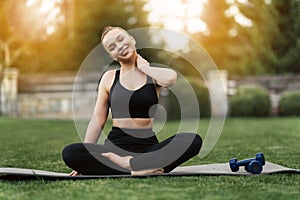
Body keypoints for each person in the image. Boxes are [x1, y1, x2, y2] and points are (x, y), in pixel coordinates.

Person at [62, 26, 202, 176]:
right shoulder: (109, 78)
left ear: (132, 39)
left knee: (193, 140)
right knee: (71, 152)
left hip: (148, 148)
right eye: (112, 47)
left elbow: (171, 78)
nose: (120, 46)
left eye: (121, 39)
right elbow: (98, 120)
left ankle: (131, 164)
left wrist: (145, 68)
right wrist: (85, 155)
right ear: (112, 56)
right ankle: (143, 168)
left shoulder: (153, 74)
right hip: (115, 149)